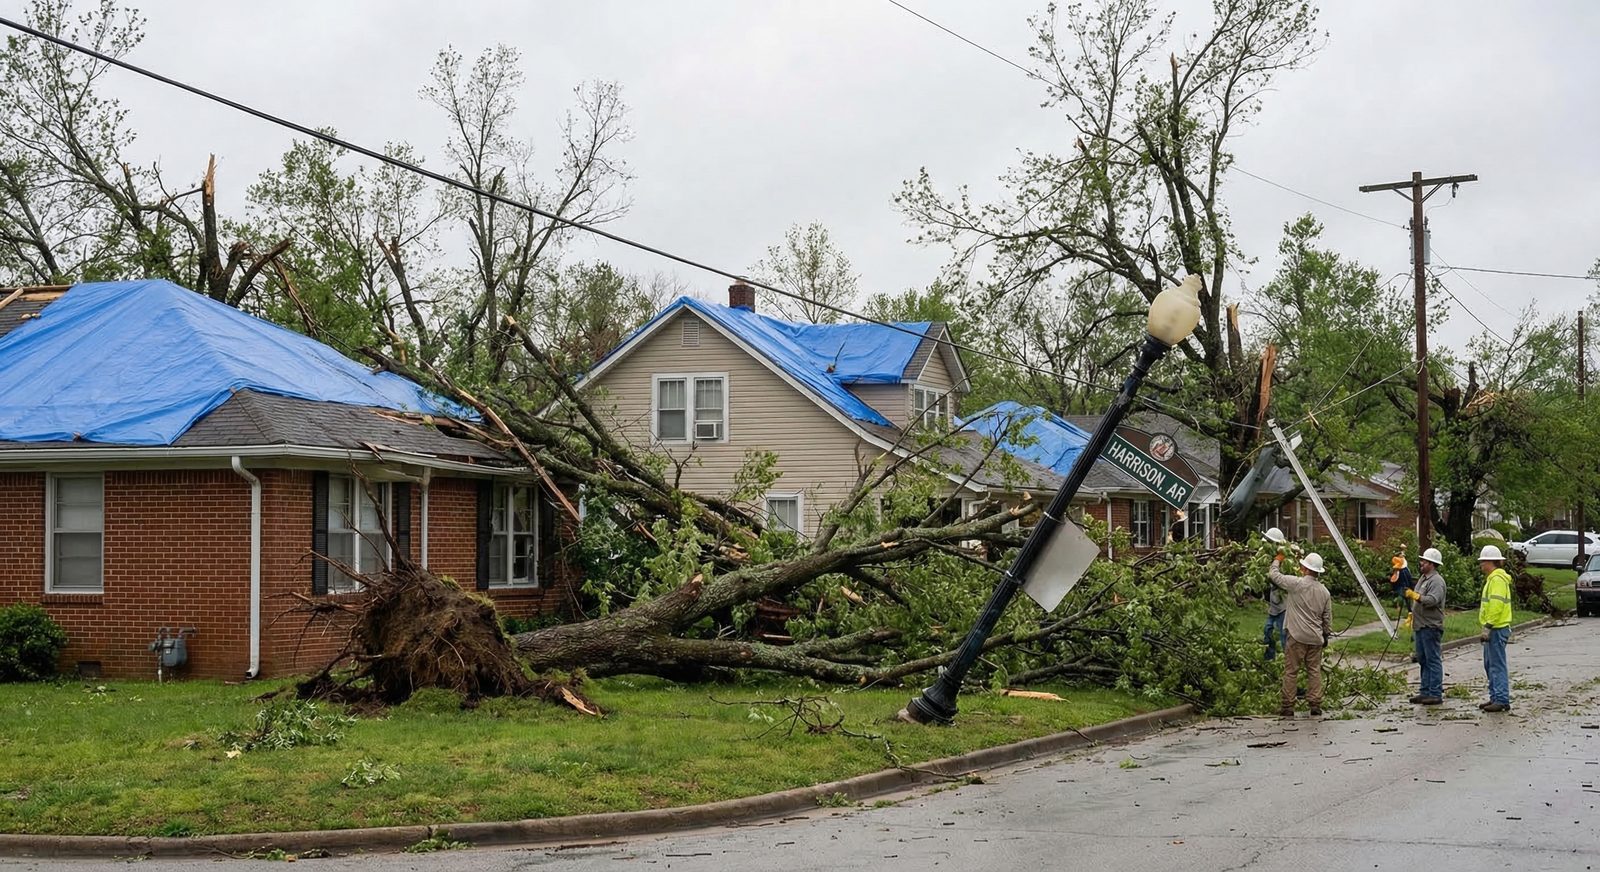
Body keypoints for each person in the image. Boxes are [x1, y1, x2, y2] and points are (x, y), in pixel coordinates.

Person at [1269, 552, 1334, 717]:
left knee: (1291, 671)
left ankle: (1288, 706)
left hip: (1297, 636)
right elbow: (1327, 617)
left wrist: (1278, 559)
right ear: (1318, 572)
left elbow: (1274, 576)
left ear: (1305, 568)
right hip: (1315, 638)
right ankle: (1315, 704)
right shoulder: (1324, 592)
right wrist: (1325, 634)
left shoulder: (1296, 584)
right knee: (1314, 671)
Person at [1406, 547, 1448, 705]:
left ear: (1432, 563)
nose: (1421, 563)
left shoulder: (1436, 581)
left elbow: (1432, 600)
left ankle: (1435, 693)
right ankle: (1425, 691)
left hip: (1430, 626)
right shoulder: (1423, 579)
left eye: (1424, 561)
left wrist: (1416, 597)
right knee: (1423, 659)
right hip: (1420, 625)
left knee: (1433, 659)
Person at [1477, 544, 1514, 712]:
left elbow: (1496, 605)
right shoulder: (1493, 579)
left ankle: (1501, 699)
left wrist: (1489, 625)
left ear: (1490, 562)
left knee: (1496, 665)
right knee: (1490, 664)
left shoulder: (1497, 580)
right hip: (1494, 628)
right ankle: (1495, 697)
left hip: (1496, 628)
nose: (1481, 565)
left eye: (1482, 561)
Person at [1262, 527, 1290, 661]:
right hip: (1274, 605)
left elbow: (1276, 577)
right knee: (1268, 631)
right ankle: (1269, 660)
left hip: (1284, 606)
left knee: (1283, 634)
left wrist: (1277, 560)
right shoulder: (1268, 559)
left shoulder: (1285, 561)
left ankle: (1288, 662)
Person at [1390, 554, 1415, 630]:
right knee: (1402, 600)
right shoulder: (1400, 570)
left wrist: (1410, 588)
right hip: (1402, 588)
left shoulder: (1404, 571)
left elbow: (1408, 579)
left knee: (1405, 600)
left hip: (1405, 587)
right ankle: (1405, 612)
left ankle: (1409, 613)